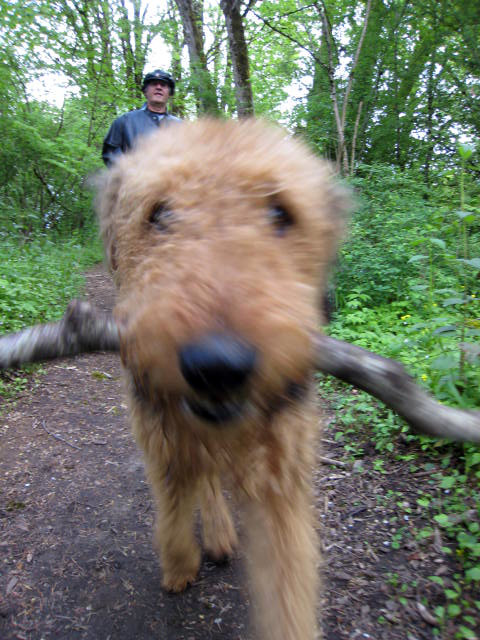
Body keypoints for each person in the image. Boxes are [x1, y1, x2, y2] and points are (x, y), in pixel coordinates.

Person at [102, 69, 181, 166]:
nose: (158, 87)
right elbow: (111, 155)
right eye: (153, 84)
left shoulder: (181, 126)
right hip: (133, 180)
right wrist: (130, 173)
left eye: (163, 85)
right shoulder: (125, 121)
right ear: (145, 91)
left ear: (170, 93)